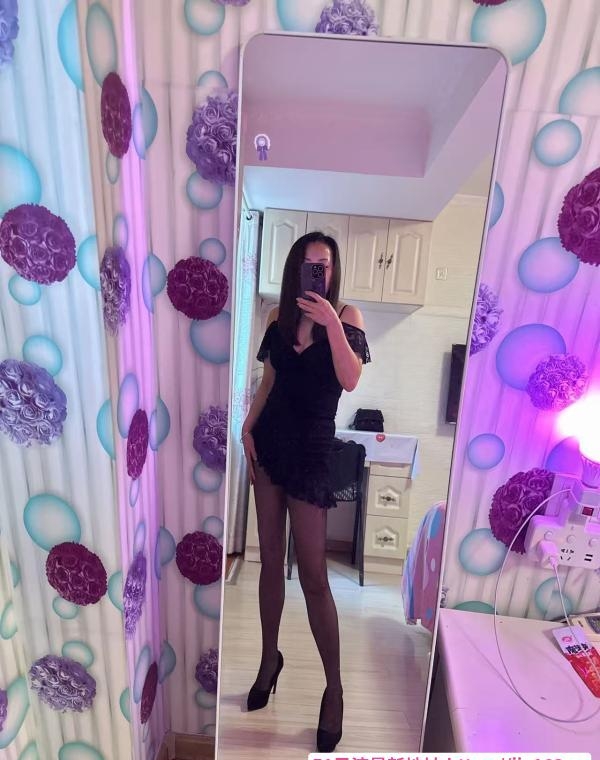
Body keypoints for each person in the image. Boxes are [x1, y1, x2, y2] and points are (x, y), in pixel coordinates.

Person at [240, 231, 371, 752]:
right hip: (270, 443)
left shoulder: (349, 317)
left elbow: (350, 379)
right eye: (311, 263)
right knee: (270, 559)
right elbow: (268, 384)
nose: (319, 271)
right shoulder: (278, 318)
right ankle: (268, 659)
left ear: (333, 272)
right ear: (297, 267)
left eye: (326, 264)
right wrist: (247, 427)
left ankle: (333, 689)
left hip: (313, 450)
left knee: (315, 576)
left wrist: (332, 323)